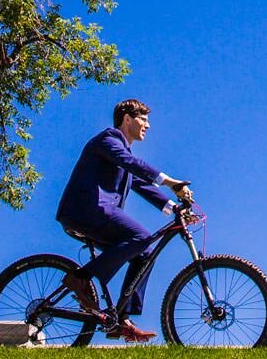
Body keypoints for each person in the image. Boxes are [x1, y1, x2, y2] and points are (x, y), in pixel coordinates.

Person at [56, 98, 194, 343]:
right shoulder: (109, 140)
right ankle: (81, 278)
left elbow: (139, 183)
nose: (148, 126)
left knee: (145, 252)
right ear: (127, 119)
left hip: (98, 214)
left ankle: (122, 318)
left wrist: (173, 208)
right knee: (141, 237)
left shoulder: (122, 152)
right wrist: (171, 182)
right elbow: (131, 164)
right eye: (143, 119)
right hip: (86, 210)